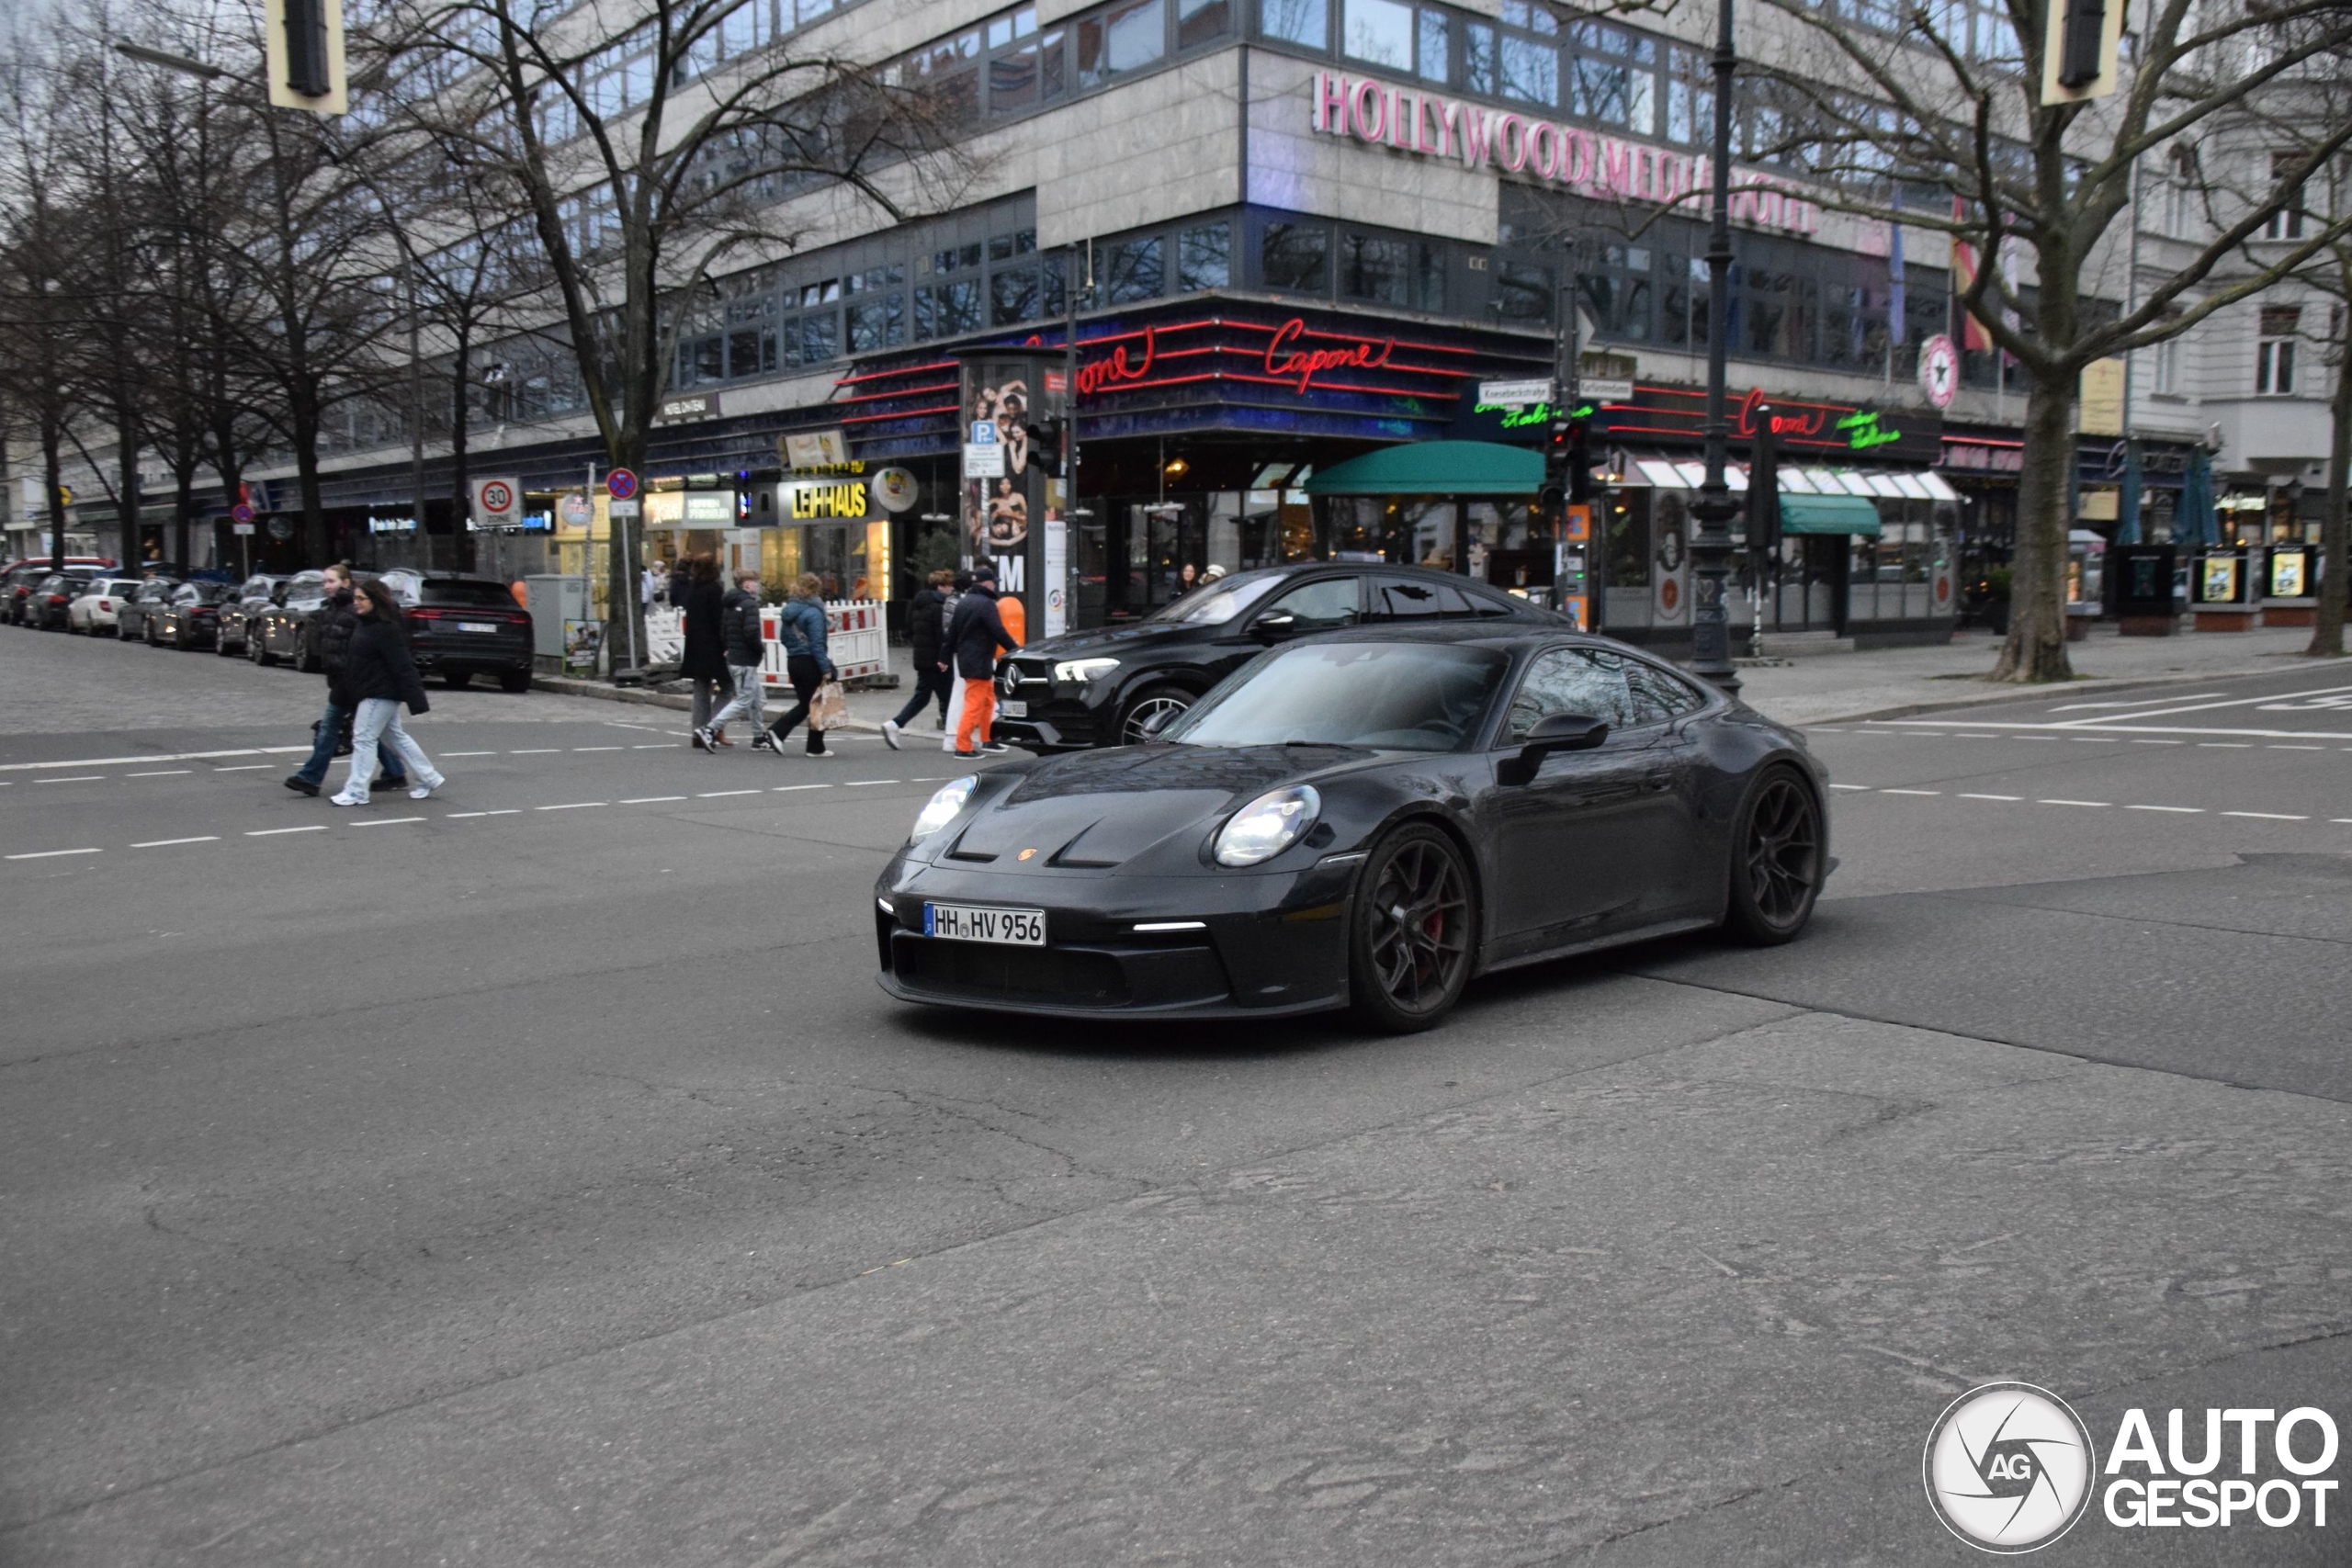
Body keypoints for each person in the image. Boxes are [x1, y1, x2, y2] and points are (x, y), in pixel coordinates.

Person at [284, 563, 407, 798]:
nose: (327, 586)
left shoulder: (354, 609)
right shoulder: (332, 607)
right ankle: (394, 771)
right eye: (325, 582)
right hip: (341, 679)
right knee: (366, 732)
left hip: (352, 680)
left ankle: (310, 777)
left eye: (331, 581)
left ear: (346, 582)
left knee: (332, 728)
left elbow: (360, 646)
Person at [331, 578, 445, 807]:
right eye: (355, 598)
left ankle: (356, 791)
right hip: (374, 691)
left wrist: (416, 699)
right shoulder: (367, 623)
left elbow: (402, 665)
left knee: (363, 738)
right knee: (394, 737)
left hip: (379, 693)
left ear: (375, 600)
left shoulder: (385, 628)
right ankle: (429, 777)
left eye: (361, 598)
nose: (357, 603)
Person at [696, 570, 778, 754]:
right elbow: (751, 632)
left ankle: (758, 737)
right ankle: (710, 729)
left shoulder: (729, 603)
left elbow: (723, 629)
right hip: (745, 659)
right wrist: (759, 649)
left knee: (758, 699)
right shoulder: (749, 604)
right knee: (744, 699)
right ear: (746, 583)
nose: (757, 585)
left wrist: (728, 647)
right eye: (754, 581)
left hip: (735, 656)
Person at [945, 564, 1017, 759]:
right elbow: (998, 631)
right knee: (975, 704)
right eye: (994, 583)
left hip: (968, 659)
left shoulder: (965, 602)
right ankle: (963, 746)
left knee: (987, 700)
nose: (995, 587)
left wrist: (944, 657)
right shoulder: (986, 605)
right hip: (980, 660)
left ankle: (987, 739)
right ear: (987, 583)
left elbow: (952, 633)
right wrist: (1016, 650)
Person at [882, 567, 955, 750]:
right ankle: (950, 735)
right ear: (940, 587)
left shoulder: (917, 604)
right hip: (936, 659)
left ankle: (897, 725)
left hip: (921, 657)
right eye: (948, 586)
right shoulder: (938, 608)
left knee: (924, 695)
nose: (951, 590)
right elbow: (941, 635)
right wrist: (945, 657)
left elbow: (908, 630)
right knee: (946, 696)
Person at [765, 573, 837, 757]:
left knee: (807, 704)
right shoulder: (813, 613)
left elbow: (783, 638)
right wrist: (825, 669)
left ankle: (784, 735)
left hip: (794, 661)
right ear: (815, 590)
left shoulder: (790, 610)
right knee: (817, 704)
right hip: (810, 662)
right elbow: (817, 644)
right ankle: (811, 745)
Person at [678, 554, 730, 748]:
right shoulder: (714, 589)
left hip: (695, 645)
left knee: (701, 689)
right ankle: (710, 728)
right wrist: (726, 644)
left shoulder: (693, 588)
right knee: (728, 687)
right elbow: (719, 620)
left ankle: (697, 730)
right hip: (713, 646)